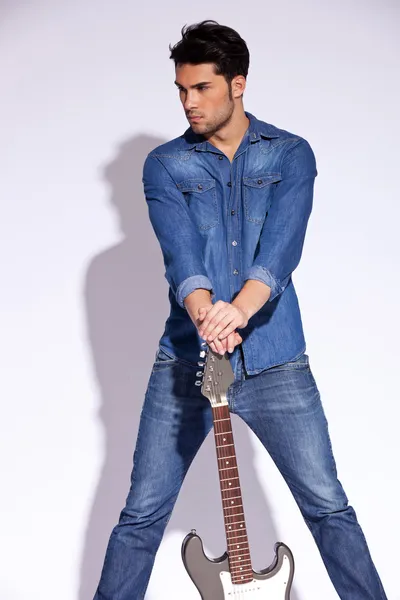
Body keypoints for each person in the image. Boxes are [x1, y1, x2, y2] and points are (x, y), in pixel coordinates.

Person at [93, 20, 387, 600]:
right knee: (141, 515)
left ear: (238, 84)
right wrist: (208, 314)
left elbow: (283, 247)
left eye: (202, 88)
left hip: (276, 361)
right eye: (181, 89)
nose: (188, 102)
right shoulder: (166, 165)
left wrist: (240, 311)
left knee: (328, 507)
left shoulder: (291, 154)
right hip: (186, 363)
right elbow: (179, 255)